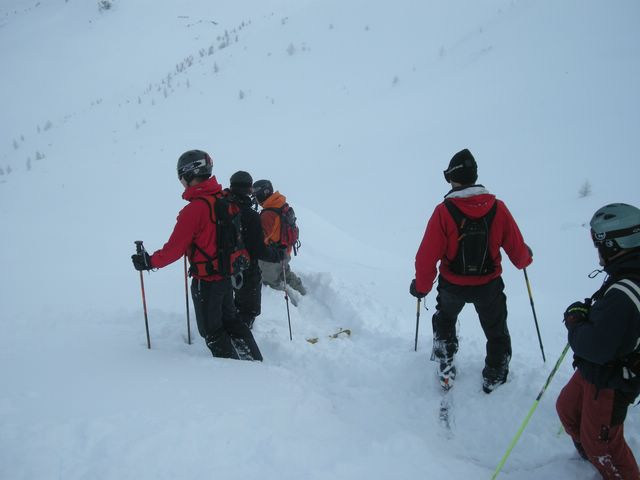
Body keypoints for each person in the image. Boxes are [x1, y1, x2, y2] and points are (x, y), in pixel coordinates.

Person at [410, 148, 532, 393]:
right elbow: (518, 252)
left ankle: (446, 363)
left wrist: (421, 287)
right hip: (488, 284)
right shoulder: (498, 208)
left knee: (445, 319)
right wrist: (524, 258)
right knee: (496, 328)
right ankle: (495, 372)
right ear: (475, 176)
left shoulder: (444, 212)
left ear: (453, 179)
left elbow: (426, 257)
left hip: (452, 284)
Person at [131, 149, 262, 361]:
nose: (181, 182)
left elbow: (174, 249)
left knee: (212, 332)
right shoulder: (223, 199)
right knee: (231, 321)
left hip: (207, 281)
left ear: (190, 175)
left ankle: (238, 376)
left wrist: (149, 261)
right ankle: (254, 360)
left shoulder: (195, 210)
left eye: (181, 177)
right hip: (226, 275)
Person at [556, 203, 640, 479]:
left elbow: (596, 346)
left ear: (615, 244)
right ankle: (591, 457)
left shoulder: (625, 291)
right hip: (597, 370)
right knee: (567, 408)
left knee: (604, 446)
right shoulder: (625, 275)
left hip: (611, 379)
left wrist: (575, 322)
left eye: (599, 245)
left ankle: (603, 460)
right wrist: (587, 312)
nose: (598, 253)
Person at [227, 171, 284, 329]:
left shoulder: (224, 207)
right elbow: (258, 246)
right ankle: (243, 331)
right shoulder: (278, 205)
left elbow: (259, 242)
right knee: (248, 308)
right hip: (257, 261)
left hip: (230, 263)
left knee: (239, 299)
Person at [252, 179, 306, 298]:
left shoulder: (268, 214)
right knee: (284, 273)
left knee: (271, 285)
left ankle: (289, 304)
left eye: (256, 195)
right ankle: (303, 292)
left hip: (271, 257)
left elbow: (263, 239)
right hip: (285, 251)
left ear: (263, 193)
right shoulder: (281, 204)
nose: (255, 199)